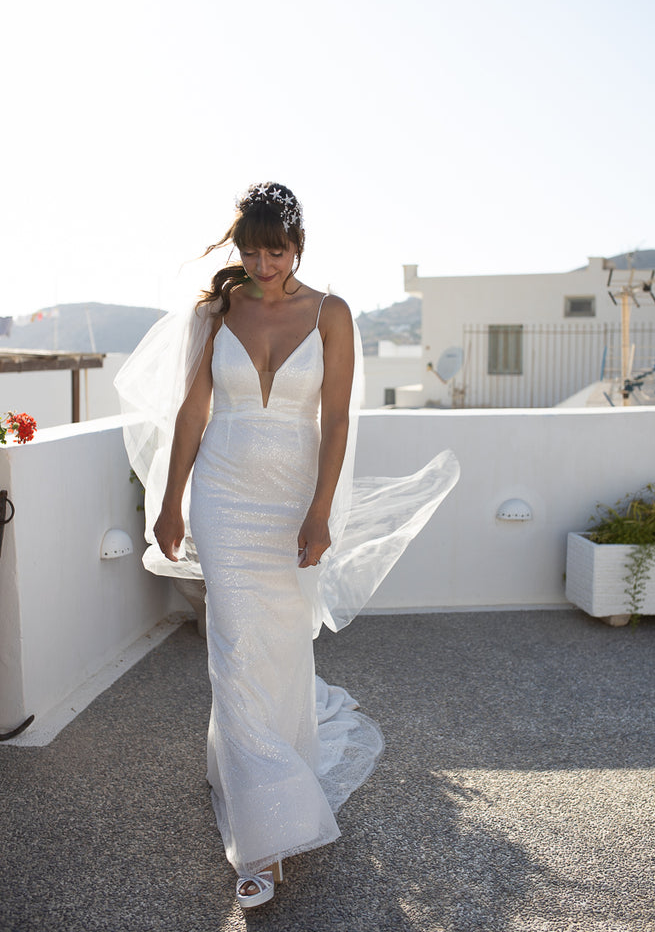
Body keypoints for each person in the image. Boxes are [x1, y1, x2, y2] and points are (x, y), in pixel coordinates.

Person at [116, 182, 459, 909]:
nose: (262, 263)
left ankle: (259, 766)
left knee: (277, 649)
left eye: (274, 250)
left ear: (296, 247)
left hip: (290, 501)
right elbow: (190, 413)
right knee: (235, 648)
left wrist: (320, 511)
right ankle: (262, 836)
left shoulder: (331, 313)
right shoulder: (216, 311)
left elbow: (335, 422)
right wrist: (170, 502)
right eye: (250, 249)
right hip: (221, 495)